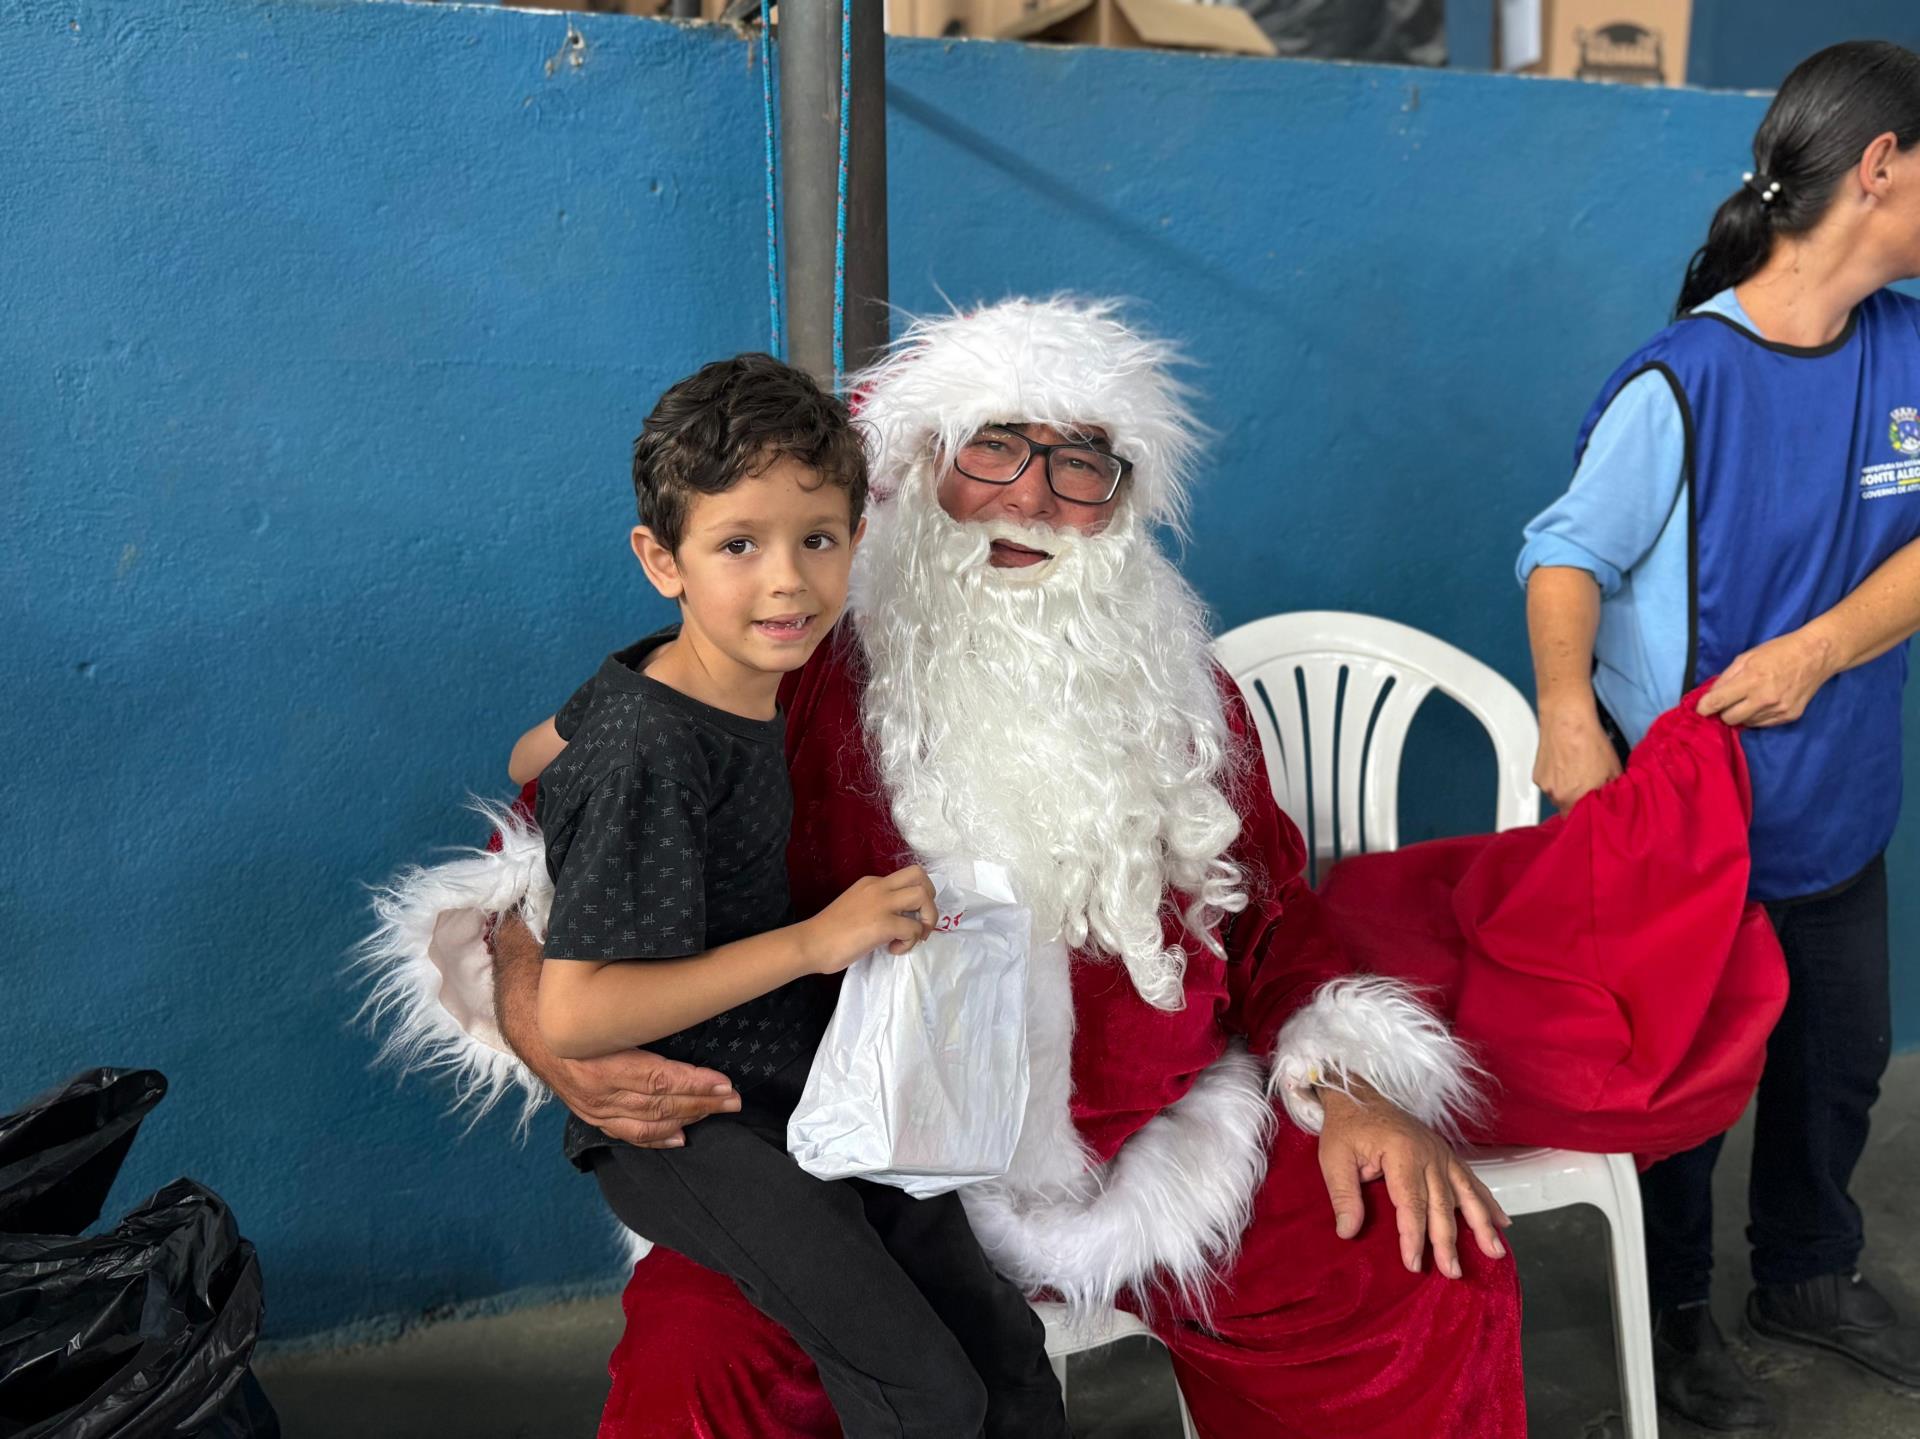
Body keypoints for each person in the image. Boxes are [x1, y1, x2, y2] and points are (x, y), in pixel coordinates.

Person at [365, 296, 1526, 1437]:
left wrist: (1351, 1085)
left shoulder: (1180, 690)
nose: (1032, 493)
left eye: (1084, 462)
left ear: (1122, 503)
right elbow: (538, 850)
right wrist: (540, 1014)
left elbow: (1271, 916)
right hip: (852, 1150)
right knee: (703, 1370)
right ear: (914, 468)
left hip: (1154, 1142)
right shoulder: (793, 661)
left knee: (1420, 1263)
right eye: (994, 446)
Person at [519, 351, 1068, 1439]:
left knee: (1003, 1351)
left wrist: (572, 758)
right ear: (659, 558)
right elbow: (574, 1014)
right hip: (696, 1122)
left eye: (816, 539)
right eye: (738, 545)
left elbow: (531, 753)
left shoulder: (694, 677)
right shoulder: (655, 744)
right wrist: (821, 938)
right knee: (923, 1389)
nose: (787, 581)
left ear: (857, 541)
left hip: (797, 1075)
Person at [1520, 41, 1920, 1431]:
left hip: (1840, 797)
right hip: (1695, 822)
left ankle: (1808, 1272)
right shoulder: (1681, 380)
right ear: (1881, 166)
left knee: (1836, 1055)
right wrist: (1568, 713)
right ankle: (1677, 1308)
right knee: (1685, 1090)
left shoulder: (1909, 345)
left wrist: (1822, 645)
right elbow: (1564, 554)